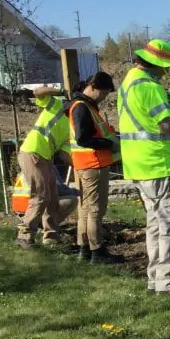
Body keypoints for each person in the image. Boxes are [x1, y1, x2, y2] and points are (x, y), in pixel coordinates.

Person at [116, 39, 170, 293]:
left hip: (138, 164)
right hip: (158, 163)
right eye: (165, 67)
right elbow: (165, 126)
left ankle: (156, 279)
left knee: (156, 222)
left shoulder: (129, 83)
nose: (166, 72)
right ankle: (169, 284)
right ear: (155, 64)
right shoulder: (150, 87)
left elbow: (146, 120)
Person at [67, 71, 122, 263]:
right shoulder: (82, 107)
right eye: (104, 93)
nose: (104, 97)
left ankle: (85, 249)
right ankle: (97, 251)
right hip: (94, 164)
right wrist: (108, 144)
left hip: (85, 164)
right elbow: (84, 138)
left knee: (85, 209)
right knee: (96, 210)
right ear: (93, 87)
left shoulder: (80, 106)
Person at [15, 85, 77, 248]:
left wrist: (84, 168)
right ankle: (24, 235)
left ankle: (51, 237)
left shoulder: (71, 127)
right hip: (32, 152)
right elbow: (37, 93)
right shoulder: (55, 105)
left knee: (52, 198)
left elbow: (65, 155)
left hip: (45, 158)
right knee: (40, 196)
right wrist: (60, 91)